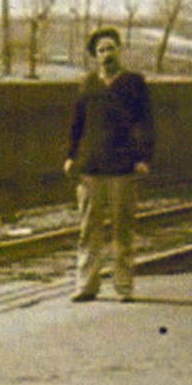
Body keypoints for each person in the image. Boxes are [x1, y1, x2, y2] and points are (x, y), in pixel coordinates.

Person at [64, 26, 155, 302]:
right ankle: (86, 285)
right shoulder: (88, 84)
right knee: (88, 229)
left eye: (111, 48)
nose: (107, 54)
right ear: (95, 56)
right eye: (101, 50)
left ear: (119, 50)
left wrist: (143, 158)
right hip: (91, 167)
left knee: (122, 228)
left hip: (122, 167)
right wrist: (70, 156)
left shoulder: (134, 83)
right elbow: (76, 123)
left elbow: (146, 122)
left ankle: (124, 286)